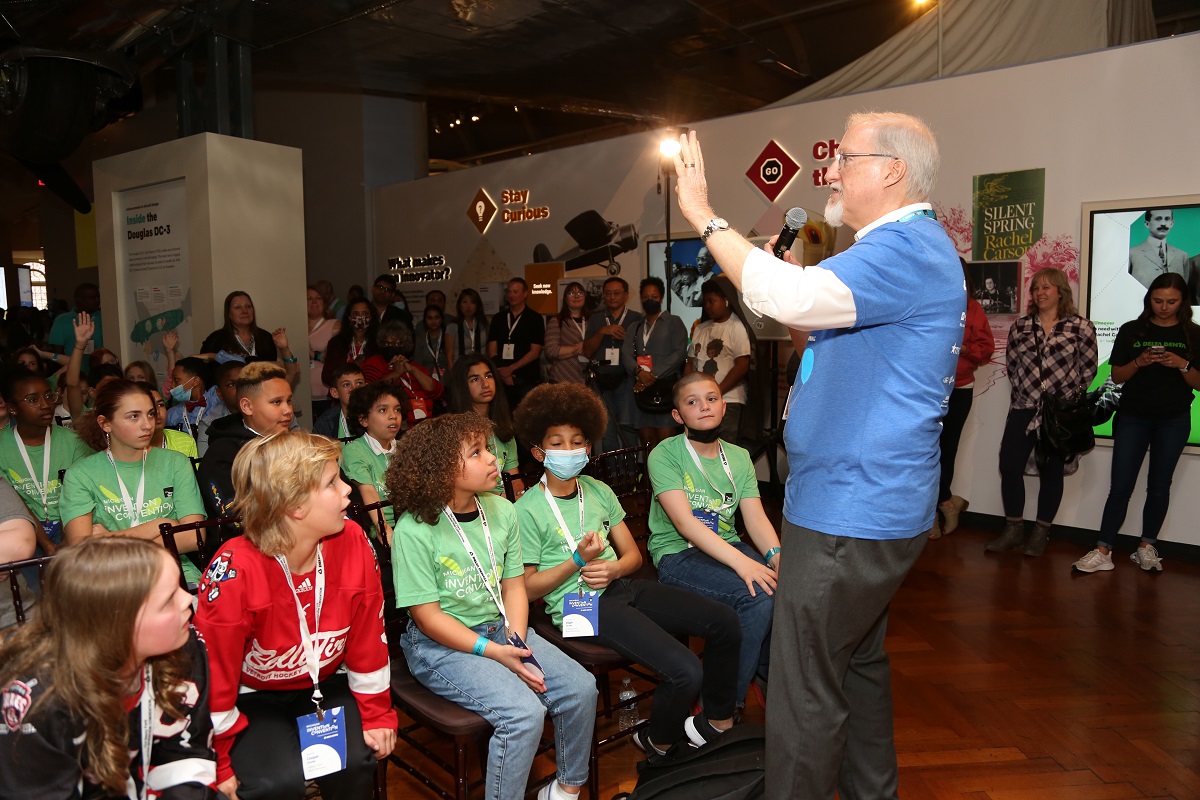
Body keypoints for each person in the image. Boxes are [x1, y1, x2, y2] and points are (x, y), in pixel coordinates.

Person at [671, 114, 963, 799]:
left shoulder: (902, 248)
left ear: (891, 171)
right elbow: (809, 315)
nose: (828, 170)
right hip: (860, 504)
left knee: (803, 685)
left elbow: (788, 298)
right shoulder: (902, 249)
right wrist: (792, 281)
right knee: (853, 662)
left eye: (844, 158)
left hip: (848, 510)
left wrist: (704, 214)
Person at [514, 383, 742, 759]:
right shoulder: (525, 510)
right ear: (539, 452)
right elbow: (527, 588)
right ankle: (659, 743)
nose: (569, 450)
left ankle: (717, 722)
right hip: (575, 607)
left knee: (725, 621)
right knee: (686, 670)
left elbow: (633, 557)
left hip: (620, 587)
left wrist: (614, 569)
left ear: (589, 448)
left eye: (577, 442)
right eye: (558, 443)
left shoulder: (598, 490)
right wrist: (577, 561)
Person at [389, 413, 596, 800]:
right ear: (442, 468)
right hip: (440, 645)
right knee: (523, 716)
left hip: (501, 628)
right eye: (476, 452)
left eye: (489, 448)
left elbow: (514, 585)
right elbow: (428, 618)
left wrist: (515, 640)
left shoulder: (502, 510)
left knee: (581, 688)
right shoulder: (413, 529)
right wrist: (496, 652)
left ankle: (565, 791)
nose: (492, 458)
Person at [193, 431, 396, 800]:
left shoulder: (352, 539)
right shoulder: (235, 569)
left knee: (353, 763)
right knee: (274, 784)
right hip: (251, 694)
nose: (347, 490)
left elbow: (368, 635)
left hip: (324, 682)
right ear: (295, 505)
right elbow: (214, 673)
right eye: (332, 483)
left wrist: (376, 714)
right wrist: (217, 761)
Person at [0, 537, 217, 799]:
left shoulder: (183, 644)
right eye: (168, 600)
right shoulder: (40, 703)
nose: (187, 599)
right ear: (115, 628)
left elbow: (186, 752)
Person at [646, 372, 779, 708]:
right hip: (679, 553)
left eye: (711, 398)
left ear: (723, 407)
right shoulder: (665, 454)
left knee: (781, 586)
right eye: (692, 402)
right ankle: (720, 708)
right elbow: (685, 524)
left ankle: (763, 675)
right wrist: (745, 564)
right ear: (678, 415)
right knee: (756, 598)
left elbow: (755, 517)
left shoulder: (739, 456)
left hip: (726, 546)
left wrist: (776, 555)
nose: (704, 406)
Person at [1073, 273, 1200, 574]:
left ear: (1183, 302)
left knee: (1159, 486)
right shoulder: (1132, 330)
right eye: (1158, 300)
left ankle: (1146, 547)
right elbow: (1117, 376)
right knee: (1120, 486)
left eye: (1171, 301)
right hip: (1133, 417)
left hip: (1174, 419)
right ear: (1149, 299)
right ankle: (1103, 550)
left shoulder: (1194, 334)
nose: (1164, 307)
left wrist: (1181, 364)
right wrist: (1139, 362)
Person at [989, 267, 1098, 556]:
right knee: (1009, 466)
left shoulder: (1081, 327)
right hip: (1024, 407)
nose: (1040, 293)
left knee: (1053, 471)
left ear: (1061, 292)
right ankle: (1013, 529)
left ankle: (1040, 532)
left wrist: (1064, 399)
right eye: (1036, 288)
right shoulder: (1021, 327)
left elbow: (1088, 370)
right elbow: (1012, 365)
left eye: (1046, 287)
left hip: (1058, 414)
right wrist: (1027, 391)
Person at [59, 380, 208, 580]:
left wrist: (110, 539)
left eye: (150, 414)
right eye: (134, 416)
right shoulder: (81, 474)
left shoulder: (175, 462)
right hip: (112, 580)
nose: (148, 425)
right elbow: (83, 549)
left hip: (173, 573)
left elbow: (194, 536)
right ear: (105, 423)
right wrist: (161, 524)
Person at [933, 260, 996, 538]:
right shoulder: (929, 305)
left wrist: (964, 347)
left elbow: (986, 350)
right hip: (928, 389)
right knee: (925, 452)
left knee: (946, 451)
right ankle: (946, 504)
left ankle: (937, 512)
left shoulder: (973, 308)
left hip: (959, 390)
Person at [0, 371, 93, 557]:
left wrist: (67, 540)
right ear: (12, 408)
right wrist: (46, 543)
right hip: (24, 526)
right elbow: (13, 503)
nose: (45, 405)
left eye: (48, 397)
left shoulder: (74, 441)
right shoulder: (2, 445)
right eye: (33, 400)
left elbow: (78, 497)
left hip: (70, 522)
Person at [197, 362, 294, 522]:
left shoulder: (295, 444)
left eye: (288, 401)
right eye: (277, 402)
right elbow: (237, 518)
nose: (288, 410)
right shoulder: (221, 455)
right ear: (247, 406)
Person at [621, 277, 687, 448]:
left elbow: (679, 353)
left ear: (661, 298)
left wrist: (652, 375)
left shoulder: (674, 322)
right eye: (645, 297)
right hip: (641, 391)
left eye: (654, 297)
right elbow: (626, 354)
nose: (649, 300)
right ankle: (648, 468)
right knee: (647, 445)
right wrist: (639, 373)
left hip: (665, 389)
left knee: (666, 445)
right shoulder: (635, 326)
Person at [447, 354, 523, 497]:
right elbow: (461, 489)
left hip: (505, 502)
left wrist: (519, 497)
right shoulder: (454, 432)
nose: (485, 384)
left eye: (488, 376)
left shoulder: (503, 427)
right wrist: (503, 500)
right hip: (474, 503)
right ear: (461, 386)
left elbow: (515, 481)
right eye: (475, 379)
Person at [686, 279, 753, 443]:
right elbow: (690, 363)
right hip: (699, 402)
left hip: (728, 400)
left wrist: (716, 392)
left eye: (712, 301)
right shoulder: (701, 328)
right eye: (705, 302)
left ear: (726, 300)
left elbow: (742, 366)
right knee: (699, 448)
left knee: (725, 449)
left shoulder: (736, 327)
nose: (707, 306)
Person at [582, 276, 642, 453]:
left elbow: (643, 350)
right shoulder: (596, 319)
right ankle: (613, 471)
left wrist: (628, 338)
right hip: (601, 381)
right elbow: (587, 351)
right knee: (607, 431)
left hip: (626, 380)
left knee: (628, 429)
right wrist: (602, 332)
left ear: (626, 295)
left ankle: (631, 469)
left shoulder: (636, 318)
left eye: (616, 293)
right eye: (608, 293)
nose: (612, 297)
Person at [341, 381, 404, 540]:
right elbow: (367, 490)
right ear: (363, 420)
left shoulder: (405, 448)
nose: (393, 416)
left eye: (397, 409)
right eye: (383, 410)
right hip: (378, 527)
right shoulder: (354, 450)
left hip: (409, 522)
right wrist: (383, 528)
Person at [361, 321, 443, 425]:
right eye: (387, 343)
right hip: (392, 425)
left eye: (396, 343)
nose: (391, 347)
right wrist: (396, 373)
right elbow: (367, 393)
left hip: (424, 425)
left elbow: (437, 391)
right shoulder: (375, 363)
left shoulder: (414, 366)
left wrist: (412, 370)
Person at [488, 277, 545, 409]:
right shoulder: (498, 318)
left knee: (526, 415)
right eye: (509, 292)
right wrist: (503, 372)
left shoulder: (535, 318)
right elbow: (492, 350)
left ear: (525, 294)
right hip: (501, 378)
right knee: (502, 415)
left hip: (526, 379)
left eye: (515, 292)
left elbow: (535, 352)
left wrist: (511, 369)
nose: (511, 295)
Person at [200, 291, 280, 361]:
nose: (245, 311)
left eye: (248, 306)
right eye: (238, 307)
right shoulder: (215, 340)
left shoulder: (266, 338)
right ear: (228, 313)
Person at [322, 299, 383, 386]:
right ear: (349, 317)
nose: (360, 317)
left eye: (364, 313)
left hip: (370, 391)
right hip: (342, 392)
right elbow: (326, 376)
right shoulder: (336, 343)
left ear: (371, 317)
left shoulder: (379, 343)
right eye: (356, 314)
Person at [1129, 209, 1191, 289]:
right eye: (1158, 219)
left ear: (1172, 223)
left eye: (1167, 219)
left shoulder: (1182, 256)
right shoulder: (1132, 254)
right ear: (1147, 224)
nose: (1163, 224)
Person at [543, 281, 590, 385]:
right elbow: (551, 351)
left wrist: (584, 347)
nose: (576, 296)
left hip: (586, 381)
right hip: (560, 380)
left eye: (580, 293)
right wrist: (581, 348)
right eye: (571, 293)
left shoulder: (592, 321)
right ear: (565, 299)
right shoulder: (557, 321)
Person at [196, 359, 245, 456]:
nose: (239, 388)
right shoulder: (210, 425)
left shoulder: (266, 415)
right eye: (231, 384)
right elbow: (205, 461)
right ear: (220, 393)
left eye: (244, 382)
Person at [307, 284, 341, 418]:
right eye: (309, 298)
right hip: (302, 393)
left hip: (325, 395)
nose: (314, 302)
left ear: (324, 302)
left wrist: (313, 354)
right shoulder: (296, 326)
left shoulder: (334, 325)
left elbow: (335, 357)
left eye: (318, 298)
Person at [46, 282, 102, 362]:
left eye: (98, 297)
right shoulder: (62, 320)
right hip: (72, 368)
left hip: (101, 368)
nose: (98, 300)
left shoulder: (105, 318)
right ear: (78, 299)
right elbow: (56, 353)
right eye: (92, 298)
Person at [313, 363, 367, 440]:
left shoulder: (377, 417)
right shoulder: (325, 423)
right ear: (335, 393)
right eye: (347, 385)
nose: (354, 389)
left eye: (359, 383)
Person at [146, 384, 200, 459]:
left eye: (160, 405)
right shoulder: (130, 447)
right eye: (150, 406)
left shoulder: (186, 442)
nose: (157, 411)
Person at [167, 356, 210, 438]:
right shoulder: (171, 414)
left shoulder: (216, 406)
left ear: (195, 381)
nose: (172, 385)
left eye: (176, 380)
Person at [413, 304, 454, 380]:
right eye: (430, 318)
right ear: (425, 320)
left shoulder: (449, 337)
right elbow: (417, 365)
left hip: (447, 378)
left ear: (441, 319)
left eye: (436, 317)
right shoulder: (420, 339)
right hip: (427, 378)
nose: (433, 321)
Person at [454, 287, 489, 358]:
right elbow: (449, 354)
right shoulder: (453, 326)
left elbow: (488, 350)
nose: (468, 306)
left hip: (480, 362)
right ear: (459, 304)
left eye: (472, 302)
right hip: (460, 363)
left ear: (477, 305)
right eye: (465, 302)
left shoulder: (483, 324)